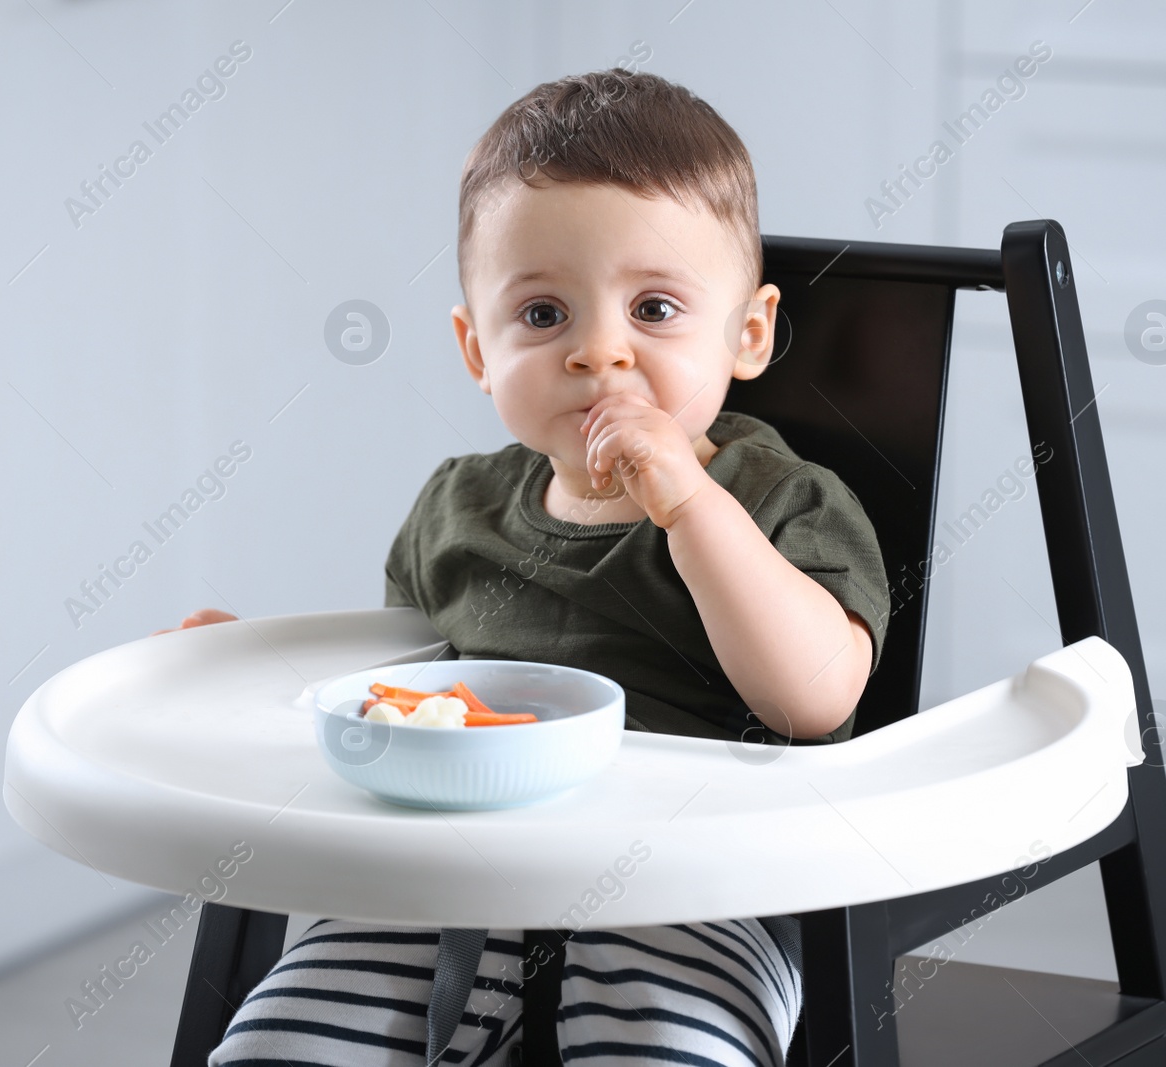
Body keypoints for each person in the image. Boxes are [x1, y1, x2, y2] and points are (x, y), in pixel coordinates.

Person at [161, 68, 890, 1067]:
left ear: (748, 332)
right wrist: (259, 677)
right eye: (545, 315)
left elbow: (815, 698)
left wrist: (687, 505)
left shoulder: (779, 503)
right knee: (277, 1044)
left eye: (656, 308)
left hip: (689, 900)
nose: (600, 352)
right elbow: (408, 694)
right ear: (476, 347)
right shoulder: (457, 508)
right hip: (437, 890)